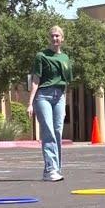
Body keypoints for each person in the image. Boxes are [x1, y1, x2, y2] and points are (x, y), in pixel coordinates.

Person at [27, 26, 73, 182]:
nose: (55, 39)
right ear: (49, 38)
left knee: (58, 132)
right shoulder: (41, 56)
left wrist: (65, 104)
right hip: (43, 96)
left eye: (58, 36)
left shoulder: (65, 58)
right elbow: (35, 80)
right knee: (49, 132)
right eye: (52, 36)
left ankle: (57, 168)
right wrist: (30, 103)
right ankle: (50, 170)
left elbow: (66, 83)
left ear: (62, 38)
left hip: (59, 96)